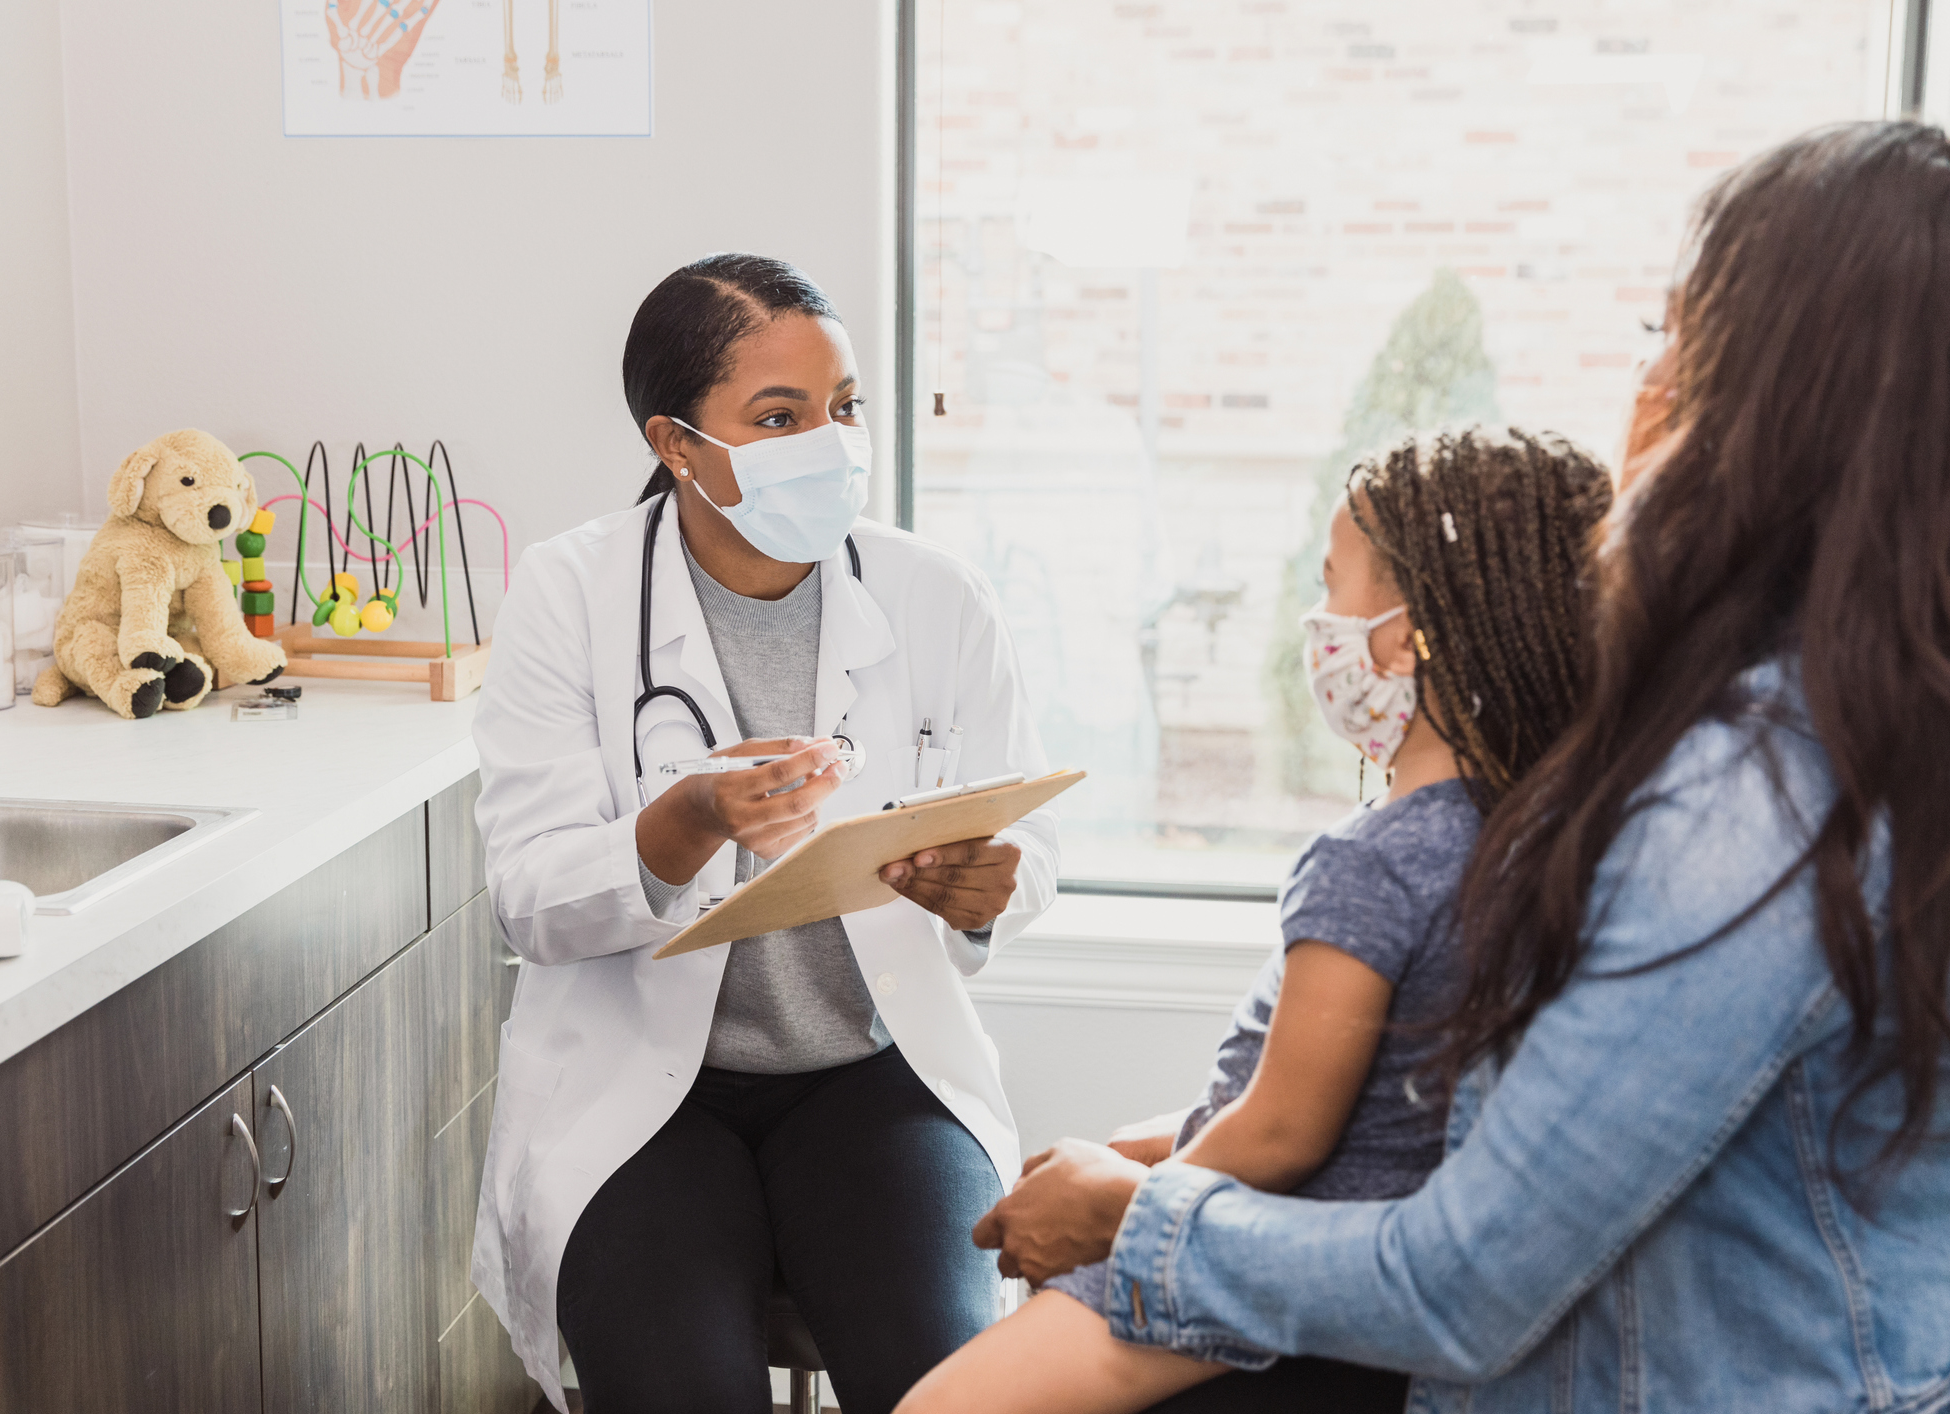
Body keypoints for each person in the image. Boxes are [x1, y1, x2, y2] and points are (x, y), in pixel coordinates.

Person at [961, 121, 1950, 1411]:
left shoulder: (1742, 808)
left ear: (1768, 402)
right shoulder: (1855, 736)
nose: (1641, 388)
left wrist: (1132, 1219)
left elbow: (1461, 1279)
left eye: (1670, 339)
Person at [897, 429, 1612, 1414]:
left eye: (1334, 589)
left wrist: (1130, 1213)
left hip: (1253, 1253)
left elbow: (1283, 1131)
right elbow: (1370, 1097)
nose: (1318, 623)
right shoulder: (1541, 840)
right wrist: (1136, 1146)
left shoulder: (1373, 864)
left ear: (1403, 640)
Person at [468, 253, 1060, 1414]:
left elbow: (1024, 846)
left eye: (843, 409)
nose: (830, 443)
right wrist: (683, 821)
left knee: (946, 1386)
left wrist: (988, 887)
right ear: (677, 444)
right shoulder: (569, 593)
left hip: (871, 1073)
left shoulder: (934, 595)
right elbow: (529, 897)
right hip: (647, 1097)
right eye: (779, 416)